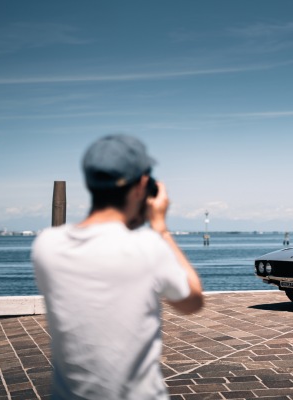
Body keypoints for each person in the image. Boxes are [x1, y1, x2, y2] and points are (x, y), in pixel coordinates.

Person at [32, 134, 204, 399]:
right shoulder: (149, 247)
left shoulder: (46, 245)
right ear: (142, 185)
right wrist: (161, 228)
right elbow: (192, 302)